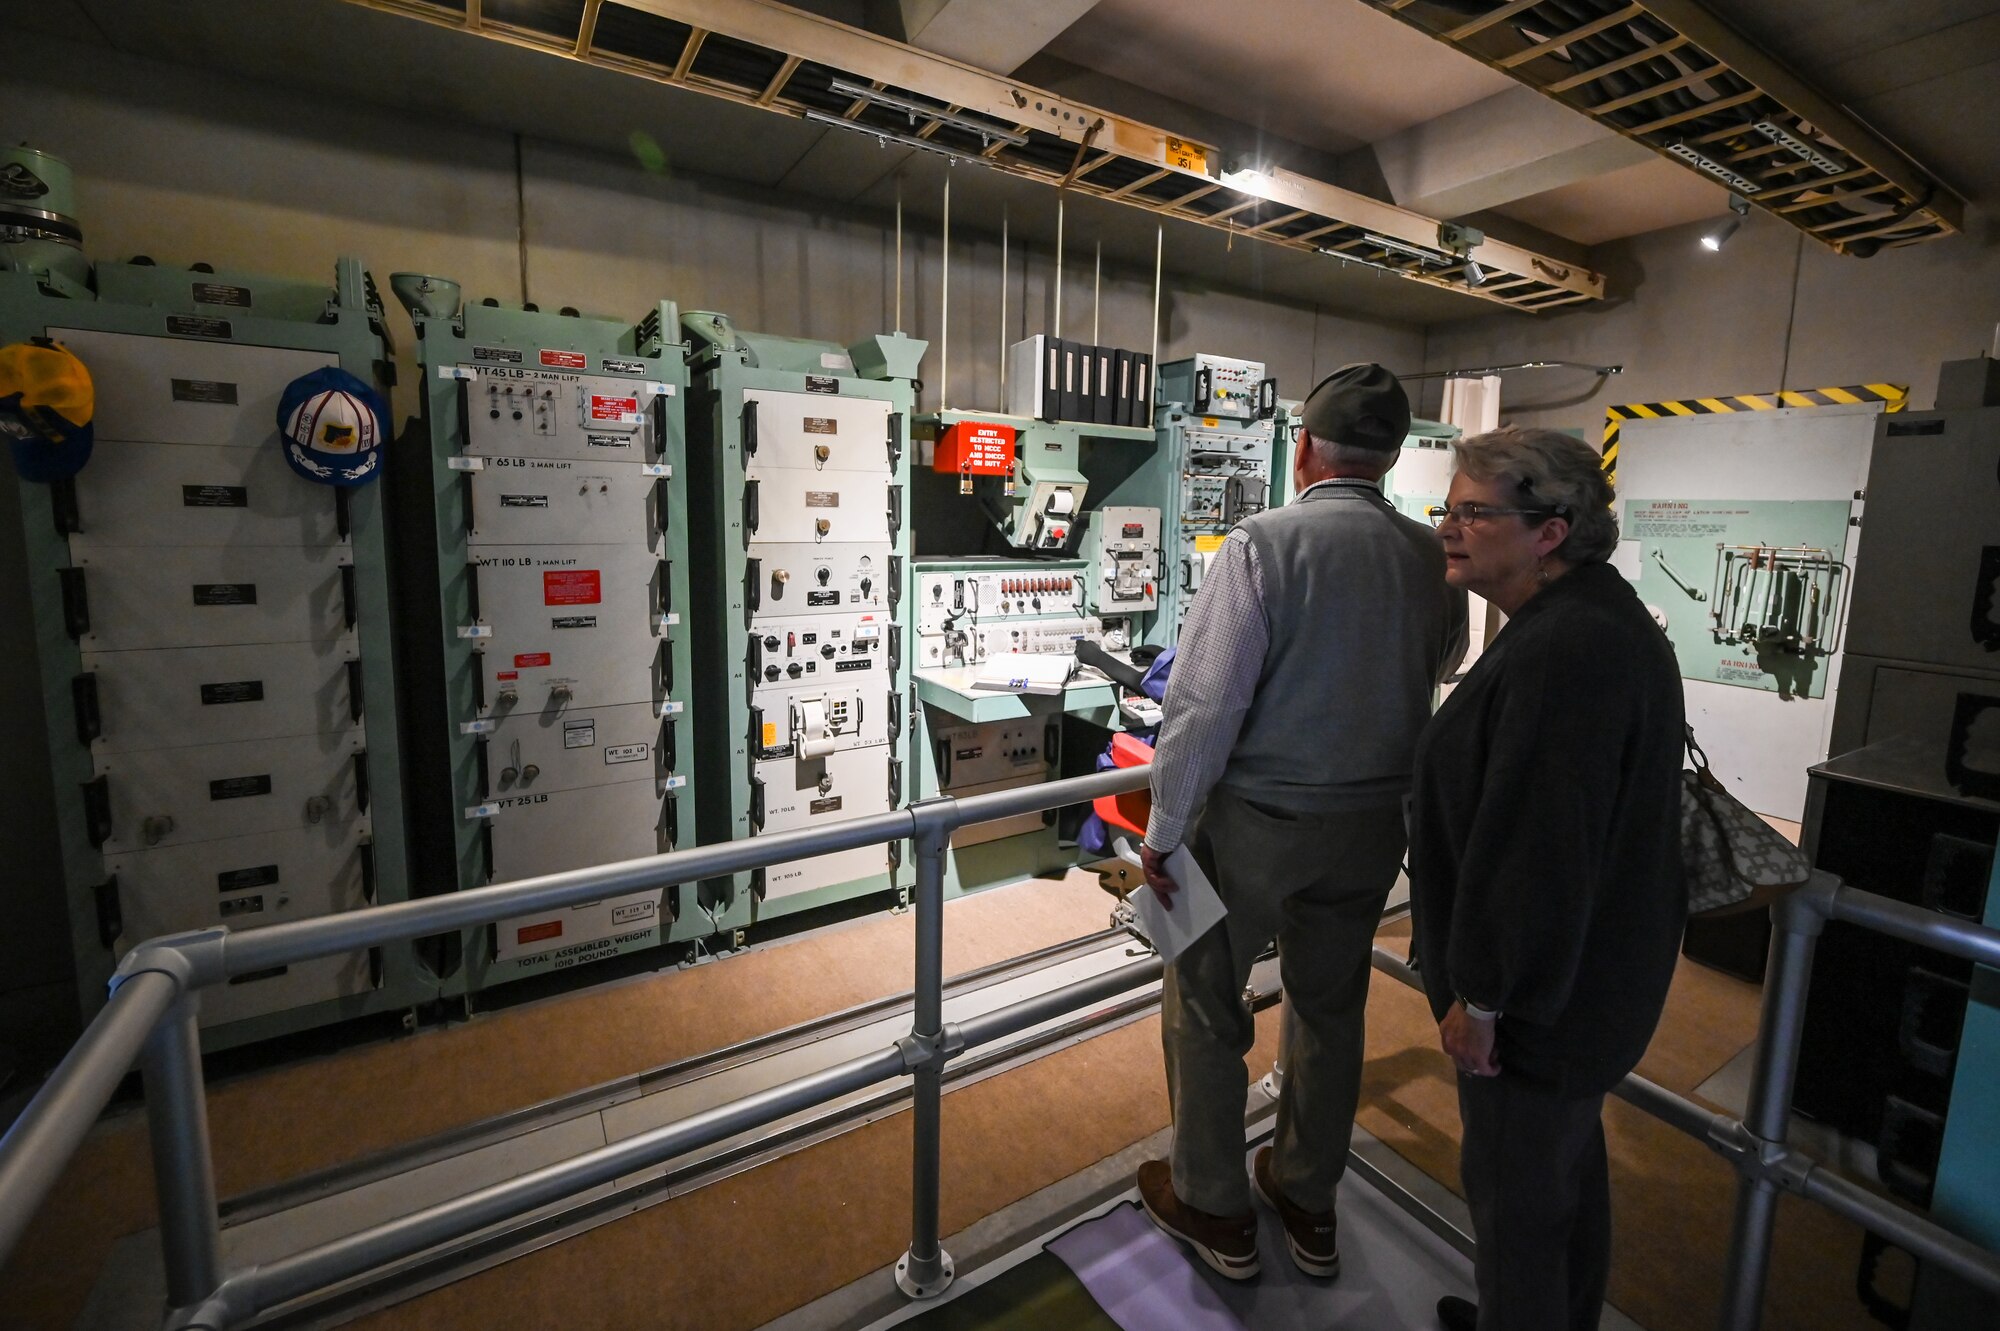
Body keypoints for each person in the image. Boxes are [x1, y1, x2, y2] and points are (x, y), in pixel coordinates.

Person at [1135, 363, 1468, 1280]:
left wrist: (1164, 834)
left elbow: (1204, 706)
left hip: (1258, 820)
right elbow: (1444, 661)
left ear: (1304, 446)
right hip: (1371, 826)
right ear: (1394, 457)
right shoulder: (1433, 557)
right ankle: (1306, 1195)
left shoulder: (1260, 545)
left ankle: (1213, 1204)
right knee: (1331, 1001)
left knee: (1206, 1001)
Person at [1406, 427, 1686, 1331]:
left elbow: (1536, 845)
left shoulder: (1570, 647)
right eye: (1449, 509)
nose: (1450, 527)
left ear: (1549, 531)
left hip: (1542, 1003)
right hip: (1582, 986)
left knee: (1516, 1198)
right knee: (1560, 1175)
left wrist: (1485, 997)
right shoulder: (1585, 620)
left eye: (1473, 511)